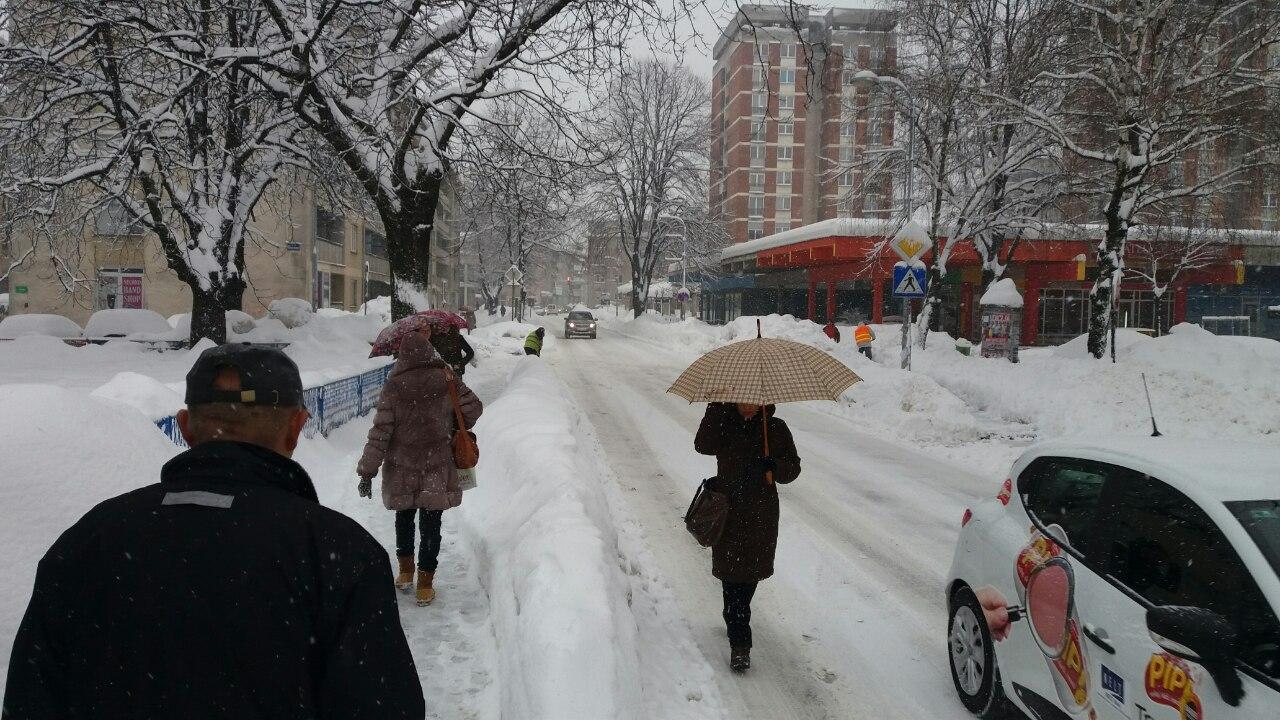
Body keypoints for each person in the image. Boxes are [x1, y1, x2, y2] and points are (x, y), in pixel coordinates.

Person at [3, 345, 424, 719]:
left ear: (185, 427)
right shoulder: (339, 553)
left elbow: (30, 699)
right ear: (296, 428)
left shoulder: (85, 542)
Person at [358, 327, 482, 606]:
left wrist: (367, 471)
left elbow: (381, 431)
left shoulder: (394, 385)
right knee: (431, 522)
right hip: (437, 464)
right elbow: (474, 407)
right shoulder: (446, 377)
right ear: (429, 352)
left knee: (404, 517)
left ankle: (404, 573)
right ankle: (425, 585)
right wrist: (451, 421)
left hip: (401, 465)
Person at [694, 402, 801, 673]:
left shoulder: (774, 428)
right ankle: (740, 644)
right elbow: (703, 445)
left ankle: (735, 618)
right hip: (727, 511)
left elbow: (792, 470)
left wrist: (774, 465)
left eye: (755, 402)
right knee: (731, 578)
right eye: (744, 402)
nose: (750, 407)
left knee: (748, 577)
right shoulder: (723, 422)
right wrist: (715, 408)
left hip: (759, 515)